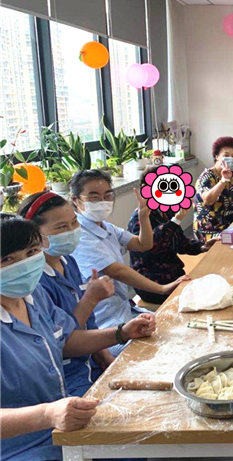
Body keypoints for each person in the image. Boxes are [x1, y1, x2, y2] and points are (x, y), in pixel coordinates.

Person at [0, 215, 155, 461]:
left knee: (132, 446)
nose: (24, 265)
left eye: (31, 252)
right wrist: (46, 414)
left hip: (60, 428)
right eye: (7, 259)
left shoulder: (33, 296)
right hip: (18, 447)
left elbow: (65, 342)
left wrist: (121, 333)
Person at [69, 169, 187, 355]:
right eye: (94, 197)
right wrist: (162, 288)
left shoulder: (106, 227)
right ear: (75, 200)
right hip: (105, 324)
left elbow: (143, 244)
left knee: (178, 332)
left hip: (125, 309)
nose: (103, 202)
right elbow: (118, 271)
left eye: (107, 196)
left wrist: (143, 217)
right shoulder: (80, 236)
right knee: (160, 350)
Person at [17, 192, 117, 397]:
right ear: (35, 235)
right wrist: (91, 299)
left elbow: (88, 323)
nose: (72, 231)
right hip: (69, 375)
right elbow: (62, 341)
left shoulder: (67, 261)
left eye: (74, 222)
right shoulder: (33, 282)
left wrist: (103, 354)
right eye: (61, 227)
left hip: (91, 361)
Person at [128, 167, 219, 305]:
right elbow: (151, 246)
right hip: (153, 286)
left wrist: (202, 246)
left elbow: (181, 242)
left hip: (175, 276)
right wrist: (176, 220)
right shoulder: (139, 218)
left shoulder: (166, 211)